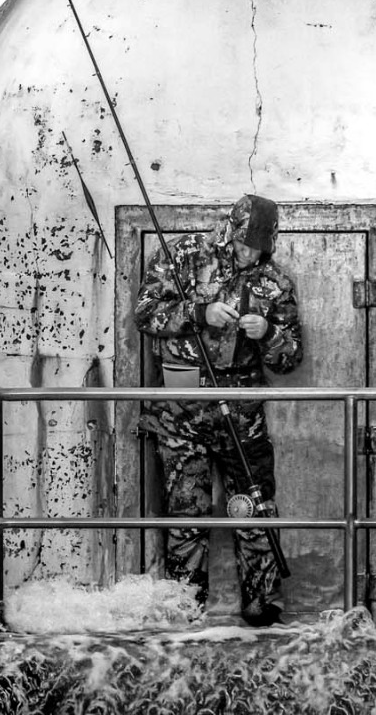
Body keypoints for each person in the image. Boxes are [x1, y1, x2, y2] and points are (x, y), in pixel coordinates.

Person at [134, 193, 303, 626]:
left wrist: (267, 333)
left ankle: (261, 606)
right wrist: (200, 312)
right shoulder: (187, 256)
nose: (251, 254)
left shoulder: (275, 283)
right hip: (183, 416)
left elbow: (289, 359)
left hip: (241, 417)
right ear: (230, 230)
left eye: (260, 248)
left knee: (252, 508)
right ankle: (184, 607)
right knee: (186, 514)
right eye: (245, 243)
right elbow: (146, 312)